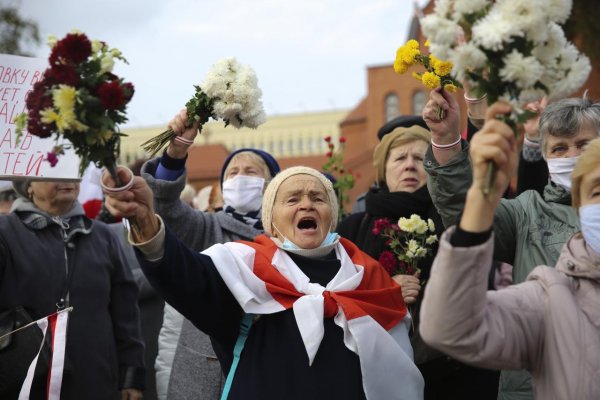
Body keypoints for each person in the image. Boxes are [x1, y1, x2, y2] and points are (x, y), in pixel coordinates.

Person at [103, 165, 424, 399]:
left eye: (317, 198)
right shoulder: (242, 270)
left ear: (332, 215)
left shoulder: (372, 279)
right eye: (292, 198)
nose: (307, 204)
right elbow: (184, 276)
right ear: (271, 220)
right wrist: (145, 221)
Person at [422, 92, 600, 399]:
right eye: (560, 148)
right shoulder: (526, 212)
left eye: (584, 144)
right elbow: (467, 208)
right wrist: (447, 140)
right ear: (545, 157)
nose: (573, 155)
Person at [337, 124, 498, 399]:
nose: (410, 167)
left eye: (420, 159)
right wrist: (385, 292)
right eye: (399, 158)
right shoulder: (353, 228)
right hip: (376, 371)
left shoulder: (454, 219)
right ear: (382, 170)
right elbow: (335, 297)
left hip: (455, 370)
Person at [144, 109, 281, 399]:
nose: (240, 178)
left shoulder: (286, 239)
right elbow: (165, 207)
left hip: (267, 366)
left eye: (251, 172)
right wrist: (176, 152)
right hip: (201, 377)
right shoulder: (206, 227)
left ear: (272, 186)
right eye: (233, 173)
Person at [0, 179, 145, 399]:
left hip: (95, 382)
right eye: (53, 174)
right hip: (27, 385)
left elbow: (126, 313)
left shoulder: (103, 236)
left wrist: (131, 375)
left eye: (70, 172)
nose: (66, 180)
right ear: (28, 186)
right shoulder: (5, 233)